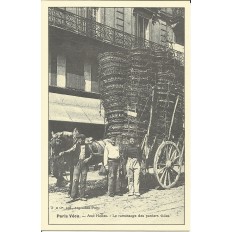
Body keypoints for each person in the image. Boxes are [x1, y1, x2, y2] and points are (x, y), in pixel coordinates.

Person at [59, 134, 93, 202]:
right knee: (75, 180)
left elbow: (91, 154)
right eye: (78, 139)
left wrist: (88, 159)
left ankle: (82, 196)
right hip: (77, 164)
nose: (78, 140)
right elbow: (70, 150)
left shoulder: (87, 146)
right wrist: (63, 152)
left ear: (83, 139)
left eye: (80, 139)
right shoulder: (76, 145)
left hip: (84, 164)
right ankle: (73, 196)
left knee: (83, 180)